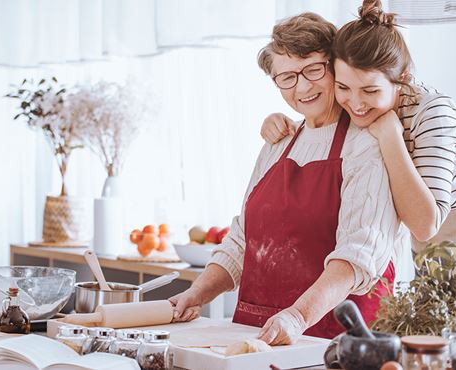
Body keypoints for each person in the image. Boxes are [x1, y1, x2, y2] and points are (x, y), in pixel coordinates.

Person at [169, 12, 408, 345]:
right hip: (260, 333)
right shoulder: (278, 141)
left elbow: (358, 256)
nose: (303, 87)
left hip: (335, 339)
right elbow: (243, 240)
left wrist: (298, 316)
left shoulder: (367, 144)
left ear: (336, 68)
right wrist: (196, 294)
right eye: (287, 77)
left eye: (314, 70)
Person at [260, 0, 456, 274]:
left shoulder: (433, 113)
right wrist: (278, 122)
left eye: (370, 91)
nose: (355, 103)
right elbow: (323, 120)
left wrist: (391, 135)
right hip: (428, 255)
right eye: (344, 87)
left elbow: (424, 224)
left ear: (401, 77)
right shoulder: (360, 110)